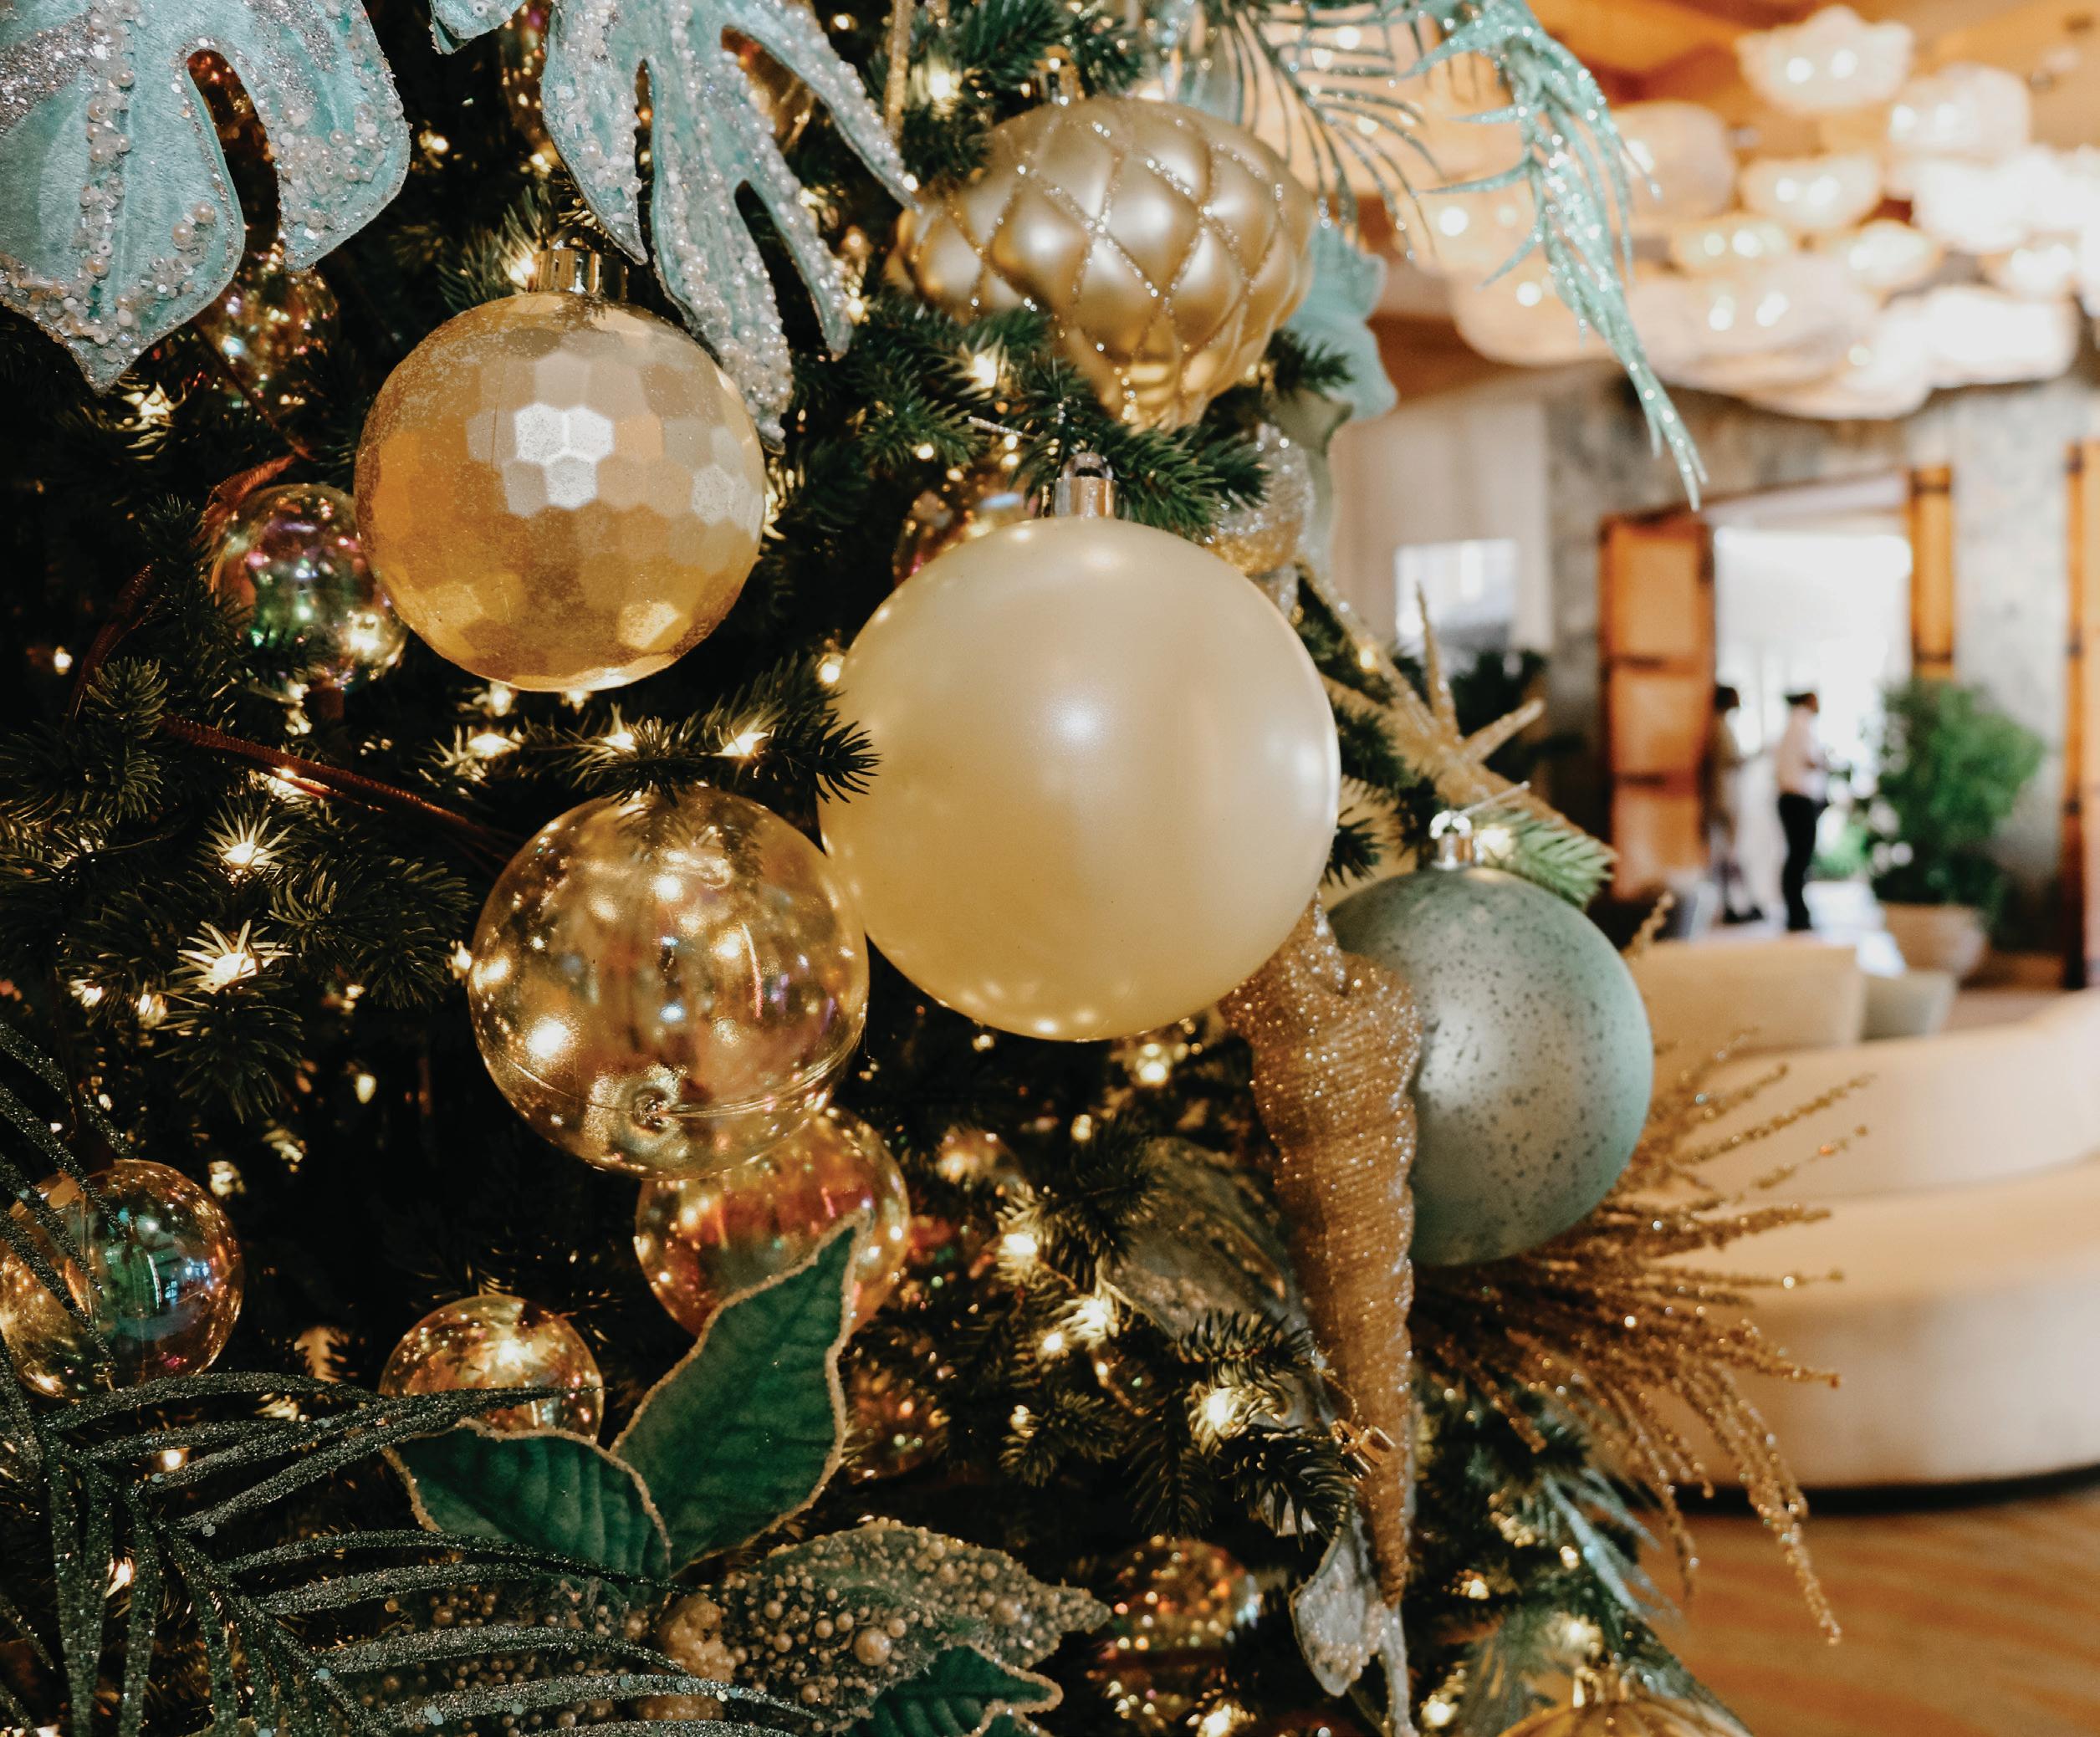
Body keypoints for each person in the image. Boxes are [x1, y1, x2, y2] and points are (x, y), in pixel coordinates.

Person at [1704, 684, 1760, 923]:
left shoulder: (1721, 725)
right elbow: (1727, 761)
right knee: (1727, 853)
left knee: (1727, 853)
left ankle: (1733, 903)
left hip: (1725, 795)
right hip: (1724, 798)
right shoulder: (1719, 727)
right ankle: (1730, 904)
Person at [1775, 691, 1827, 932]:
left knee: (1796, 856)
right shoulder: (1801, 724)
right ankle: (1797, 913)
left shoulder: (1792, 725)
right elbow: (1811, 760)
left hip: (1791, 798)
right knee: (1799, 857)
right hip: (1798, 798)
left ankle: (1797, 912)